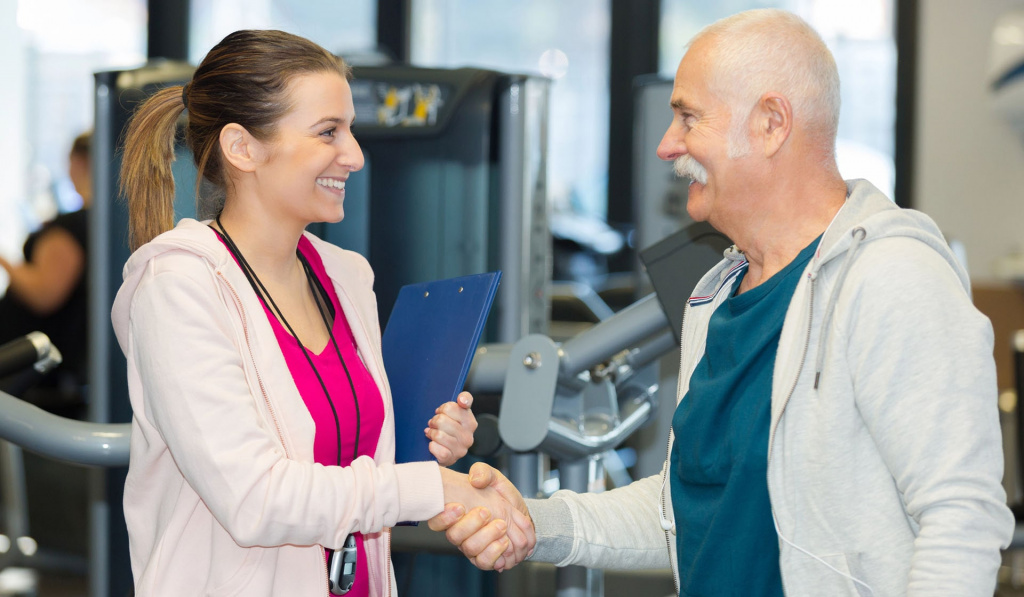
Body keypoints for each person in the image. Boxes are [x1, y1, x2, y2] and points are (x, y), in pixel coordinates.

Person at [430, 8, 1015, 596]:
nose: (666, 145)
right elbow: (688, 508)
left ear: (770, 123)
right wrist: (537, 521)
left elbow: (960, 518)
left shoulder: (891, 277)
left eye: (688, 118)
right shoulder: (715, 295)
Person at [111, 30, 526, 597]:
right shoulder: (179, 287)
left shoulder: (346, 276)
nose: (355, 155)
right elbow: (256, 499)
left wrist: (427, 443)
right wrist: (434, 487)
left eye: (350, 130)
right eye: (329, 132)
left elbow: (351, 463)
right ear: (242, 148)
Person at [0, 131, 92, 400]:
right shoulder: (95, 225)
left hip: (35, 374)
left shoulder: (74, 227)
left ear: (77, 162)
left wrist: (4, 260)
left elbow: (44, 295)